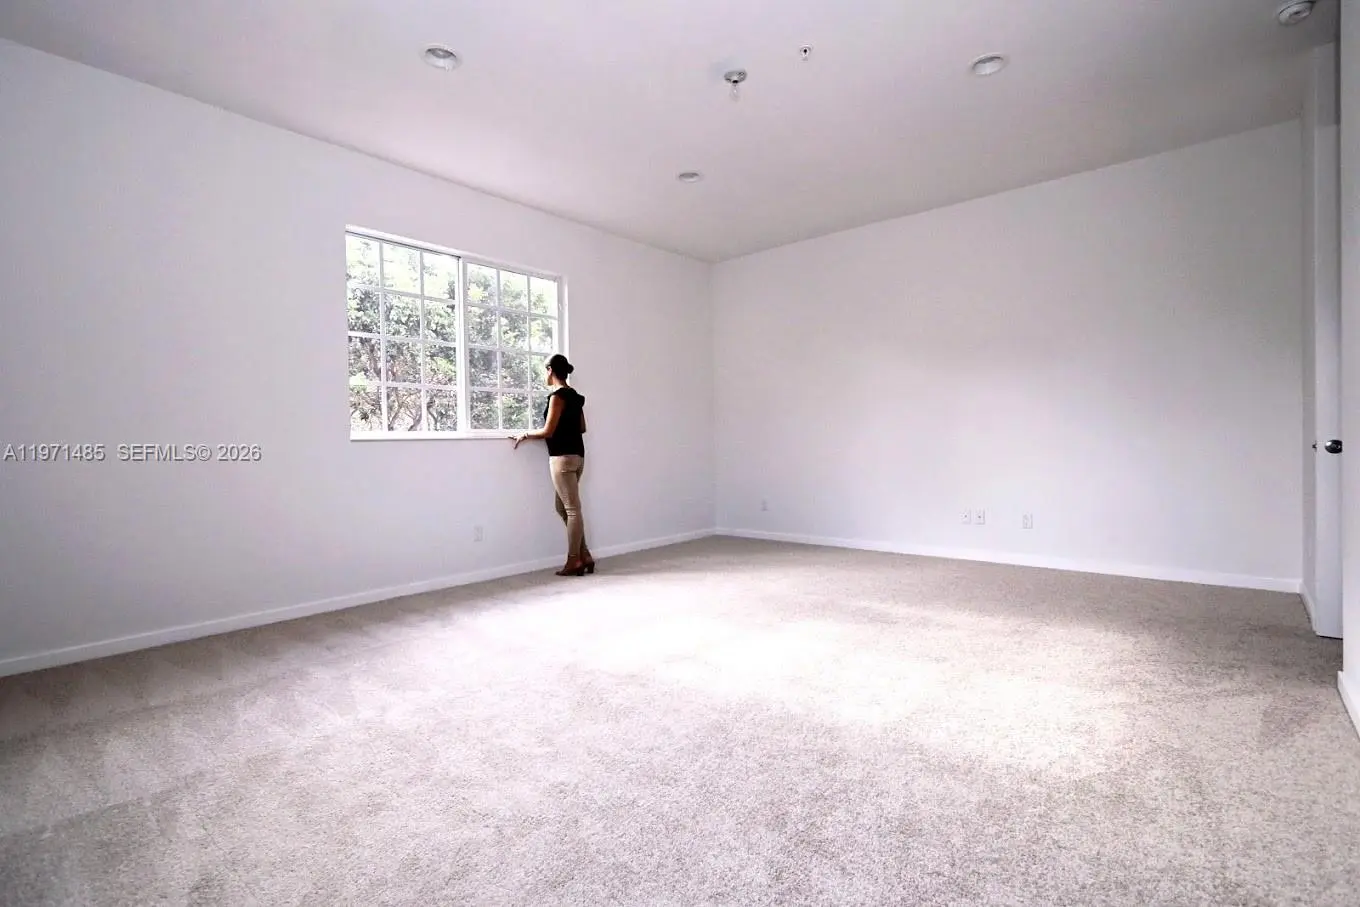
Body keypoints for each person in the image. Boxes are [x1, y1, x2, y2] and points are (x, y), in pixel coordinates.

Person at [511, 353, 594, 576]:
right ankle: (584, 554)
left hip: (561, 458)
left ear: (550, 370)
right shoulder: (576, 397)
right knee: (563, 507)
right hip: (578, 457)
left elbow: (548, 431)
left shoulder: (557, 397)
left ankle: (574, 560)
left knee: (572, 510)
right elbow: (582, 427)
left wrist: (525, 434)